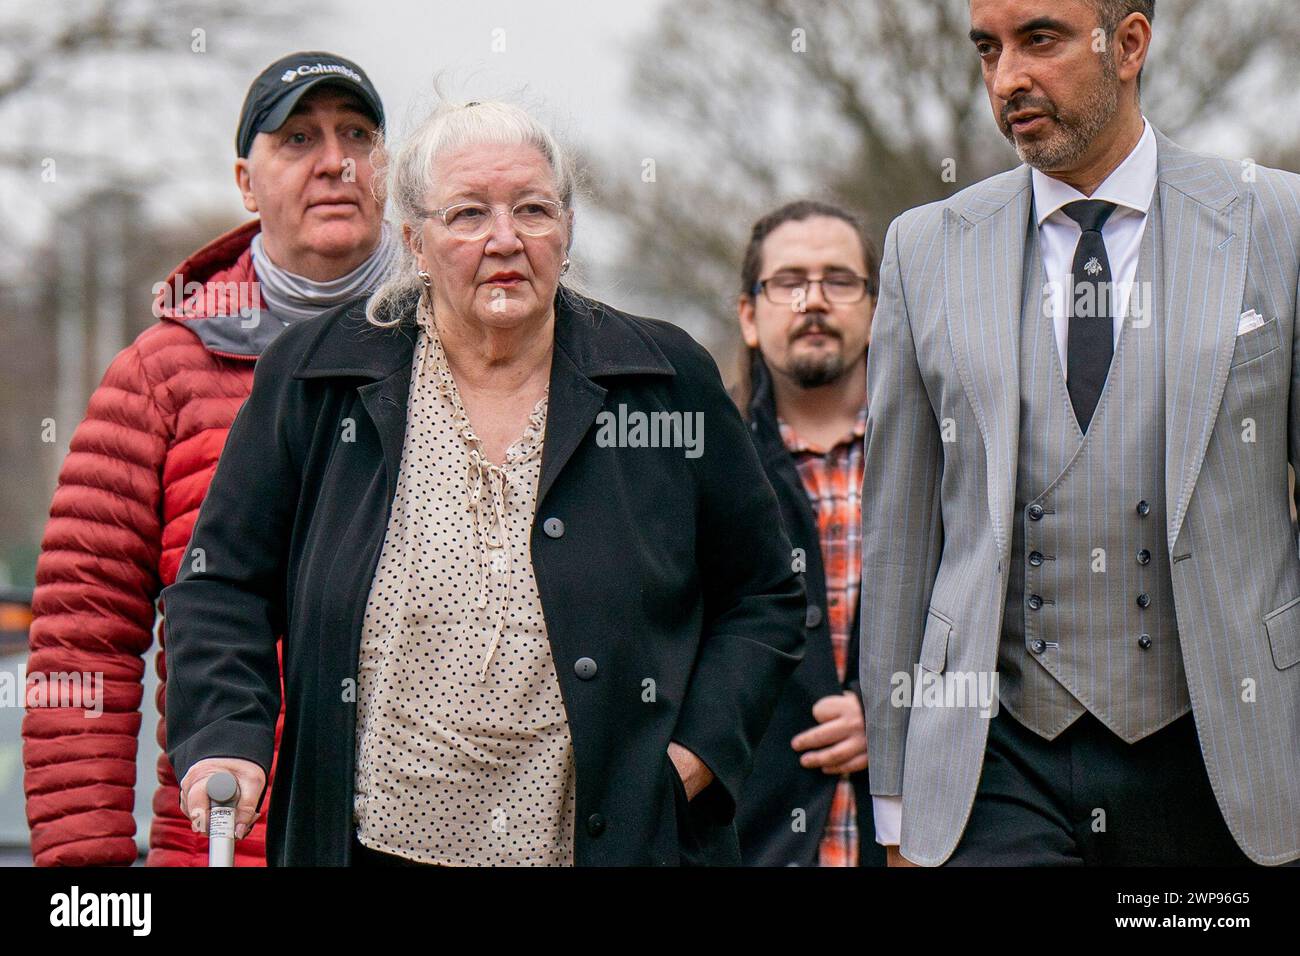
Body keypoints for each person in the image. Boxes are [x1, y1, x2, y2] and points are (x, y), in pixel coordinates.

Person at [162, 99, 806, 866]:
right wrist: (228, 733)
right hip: (372, 846)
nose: (505, 240)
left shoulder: (662, 379)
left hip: (613, 845)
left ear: (566, 231)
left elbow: (764, 595)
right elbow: (221, 582)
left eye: (533, 210)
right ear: (415, 242)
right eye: (467, 215)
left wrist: (690, 761)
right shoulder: (315, 377)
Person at [862, 0, 1300, 867]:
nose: (1007, 78)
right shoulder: (924, 248)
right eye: (988, 49)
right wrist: (893, 799)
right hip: (997, 759)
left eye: (1040, 41)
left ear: (1129, 43)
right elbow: (900, 536)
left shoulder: (1276, 223)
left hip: (1227, 750)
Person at [22, 51, 392, 866]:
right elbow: (83, 641)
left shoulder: (470, 355)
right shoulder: (160, 376)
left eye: (357, 134)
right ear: (245, 181)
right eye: (297, 139)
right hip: (226, 845)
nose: (336, 161)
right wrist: (91, 882)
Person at [731, 201, 884, 867]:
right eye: (789, 281)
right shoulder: (704, 470)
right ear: (749, 317)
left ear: (877, 309)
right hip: (755, 846)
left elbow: (1003, 634)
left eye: (840, 281)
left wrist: (903, 718)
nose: (814, 300)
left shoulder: (943, 461)